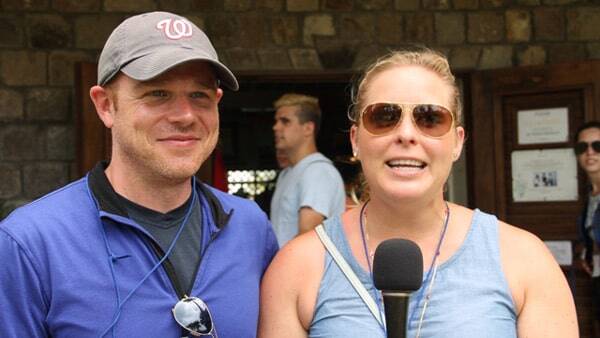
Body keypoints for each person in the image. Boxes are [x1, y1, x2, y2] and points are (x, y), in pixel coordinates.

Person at [259, 49, 578, 337]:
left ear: (457, 142)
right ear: (356, 140)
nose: (407, 134)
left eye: (430, 118)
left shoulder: (524, 259)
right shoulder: (297, 267)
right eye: (384, 116)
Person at [0, 11, 278, 338]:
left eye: (199, 95)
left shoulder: (250, 227)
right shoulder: (29, 244)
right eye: (158, 93)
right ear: (105, 106)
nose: (185, 115)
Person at [270, 93, 345, 247]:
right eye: (276, 121)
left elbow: (308, 234)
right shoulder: (288, 173)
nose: (276, 127)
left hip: (300, 269)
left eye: (285, 121)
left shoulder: (317, 171)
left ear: (308, 128)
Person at [574, 120, 600, 337]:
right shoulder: (590, 194)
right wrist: (586, 252)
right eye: (583, 147)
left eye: (597, 146)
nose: (590, 152)